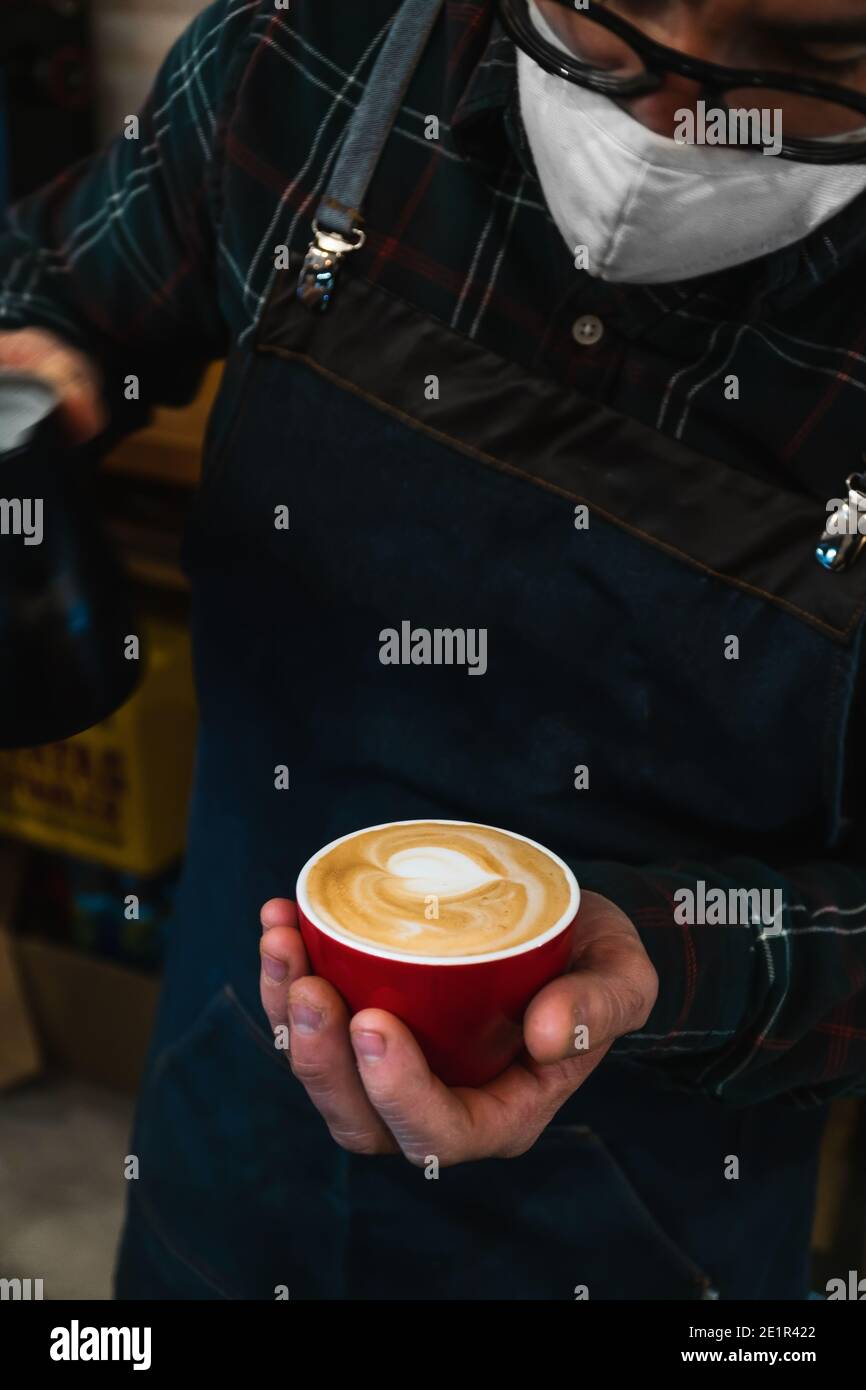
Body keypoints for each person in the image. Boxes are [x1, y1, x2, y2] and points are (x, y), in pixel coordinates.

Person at [2, 0, 866, 1301]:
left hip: (657, 1237)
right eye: (600, 24)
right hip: (228, 1154)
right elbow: (62, 296)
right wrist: (35, 389)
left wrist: (671, 957)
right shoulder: (308, 54)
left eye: (809, 64)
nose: (668, 127)